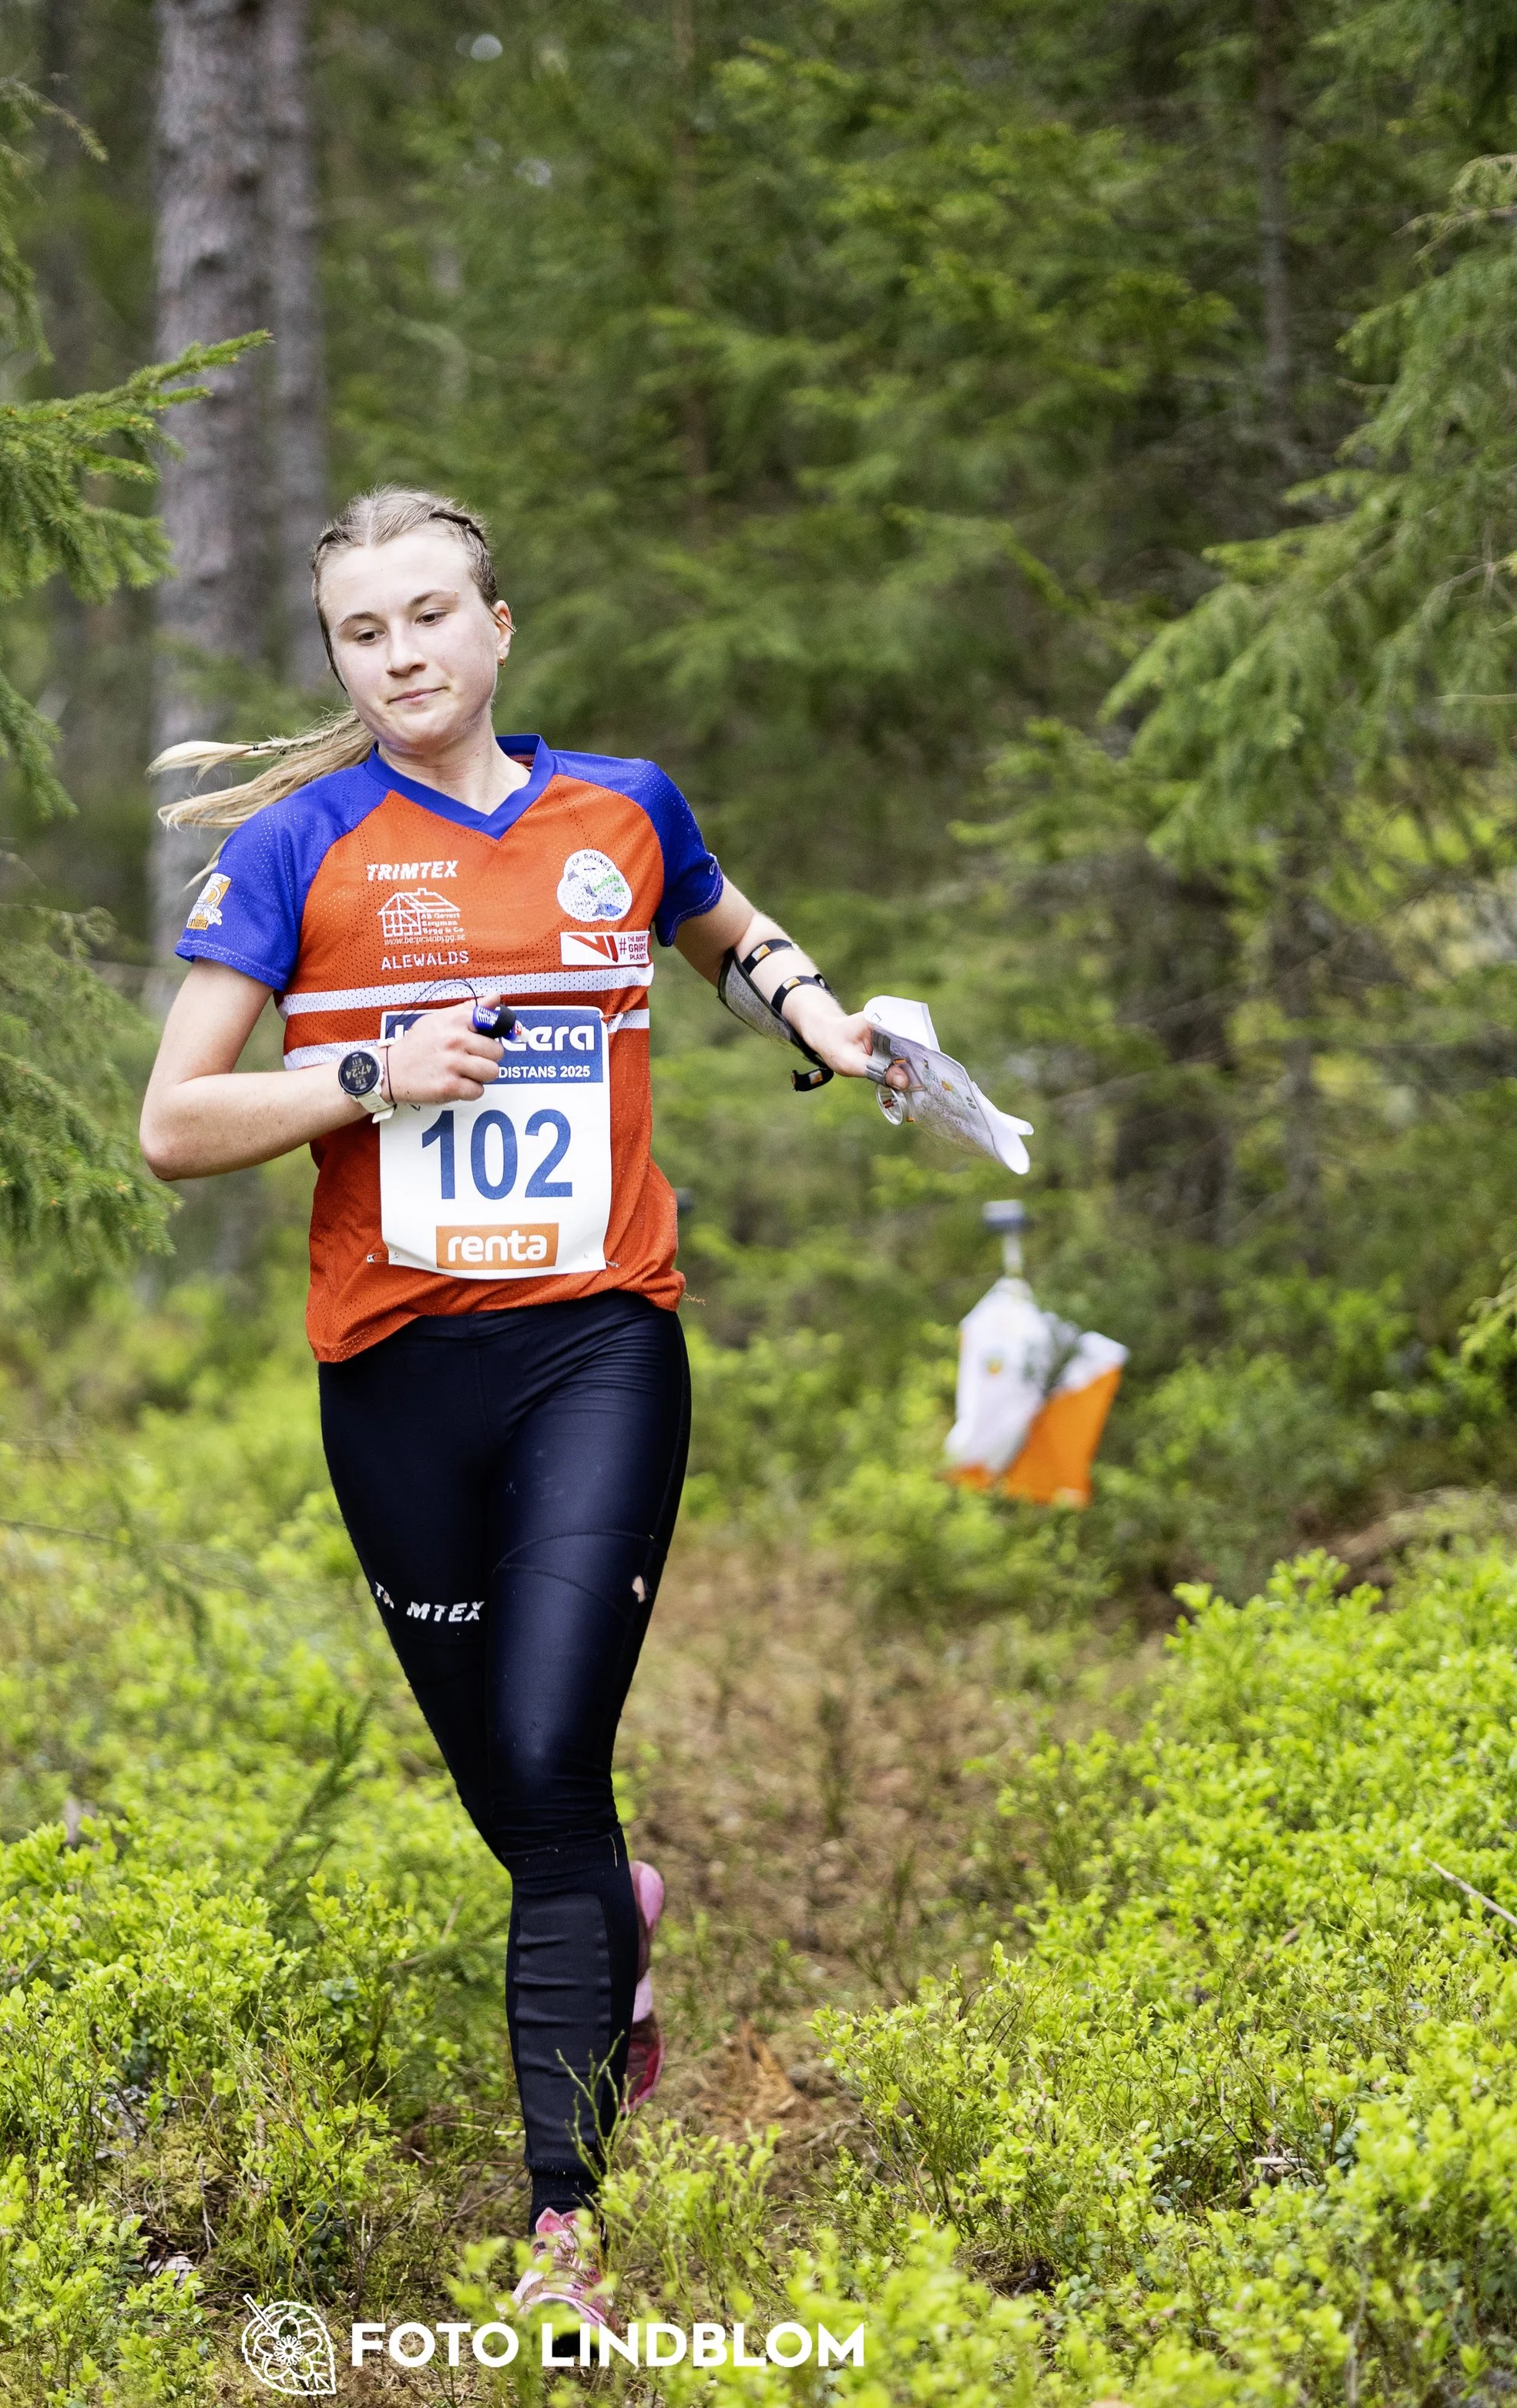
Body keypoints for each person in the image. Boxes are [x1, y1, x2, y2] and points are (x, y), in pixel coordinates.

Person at [138, 487, 908, 2343]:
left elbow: (721, 936)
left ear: (498, 627)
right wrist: (363, 1069)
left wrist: (827, 1022)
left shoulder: (618, 808)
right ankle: (614, 1927)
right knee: (520, 1799)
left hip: (595, 1344)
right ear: (338, 655)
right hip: (394, 1374)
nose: (397, 656)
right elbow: (174, 1126)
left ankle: (562, 2225)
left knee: (552, 1751)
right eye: (359, 633)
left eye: (427, 618)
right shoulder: (298, 843)